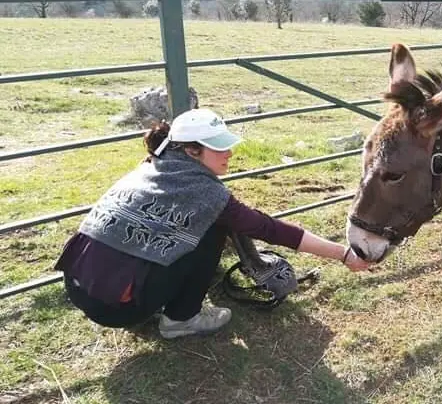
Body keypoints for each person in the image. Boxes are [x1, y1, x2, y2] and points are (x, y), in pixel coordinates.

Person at [54, 108, 369, 339]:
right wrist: (343, 254)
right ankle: (180, 320)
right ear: (192, 150)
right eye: (218, 145)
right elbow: (271, 230)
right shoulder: (206, 194)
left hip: (77, 286)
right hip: (117, 309)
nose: (229, 152)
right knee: (213, 230)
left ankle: (146, 297)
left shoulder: (150, 167)